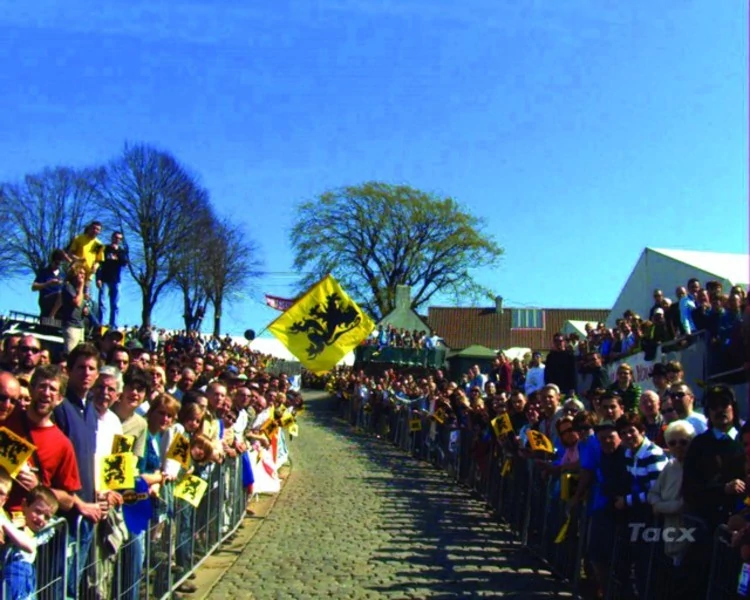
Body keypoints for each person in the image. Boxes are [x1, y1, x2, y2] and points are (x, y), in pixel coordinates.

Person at [0, 477, 61, 600]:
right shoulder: (14, 519)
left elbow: (29, 546)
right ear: (24, 505)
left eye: (47, 516)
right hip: (8, 573)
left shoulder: (42, 531)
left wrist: (5, 524)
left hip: (21, 573)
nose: (41, 518)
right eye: (37, 511)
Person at [648, 420, 696, 566]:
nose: (678, 447)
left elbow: (682, 505)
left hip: (689, 535)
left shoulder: (696, 467)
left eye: (683, 442)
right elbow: (653, 493)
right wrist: (658, 503)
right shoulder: (670, 466)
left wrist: (658, 507)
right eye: (672, 443)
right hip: (668, 533)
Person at [96, 231, 128, 328]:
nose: (117, 240)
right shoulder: (104, 248)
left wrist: (117, 252)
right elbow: (99, 264)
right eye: (115, 237)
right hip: (104, 279)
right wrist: (98, 278)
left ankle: (113, 325)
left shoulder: (122, 251)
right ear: (112, 237)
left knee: (115, 305)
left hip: (116, 280)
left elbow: (124, 263)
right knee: (102, 303)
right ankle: (101, 323)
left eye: (119, 238)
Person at [31, 249, 67, 319]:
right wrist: (48, 284)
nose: (58, 266)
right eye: (56, 263)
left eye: (60, 264)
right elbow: (33, 287)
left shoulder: (63, 275)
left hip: (59, 303)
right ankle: (51, 316)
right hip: (46, 299)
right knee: (61, 294)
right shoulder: (44, 272)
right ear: (52, 261)